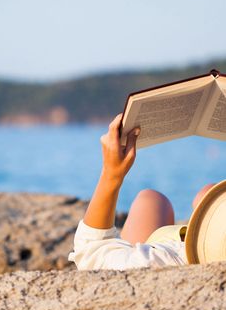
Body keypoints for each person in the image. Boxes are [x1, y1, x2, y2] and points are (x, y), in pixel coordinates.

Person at [68, 113, 215, 271]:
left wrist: (111, 175)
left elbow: (92, 252)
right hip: (210, 238)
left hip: (195, 250)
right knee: (202, 194)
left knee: (150, 200)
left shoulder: (171, 258)